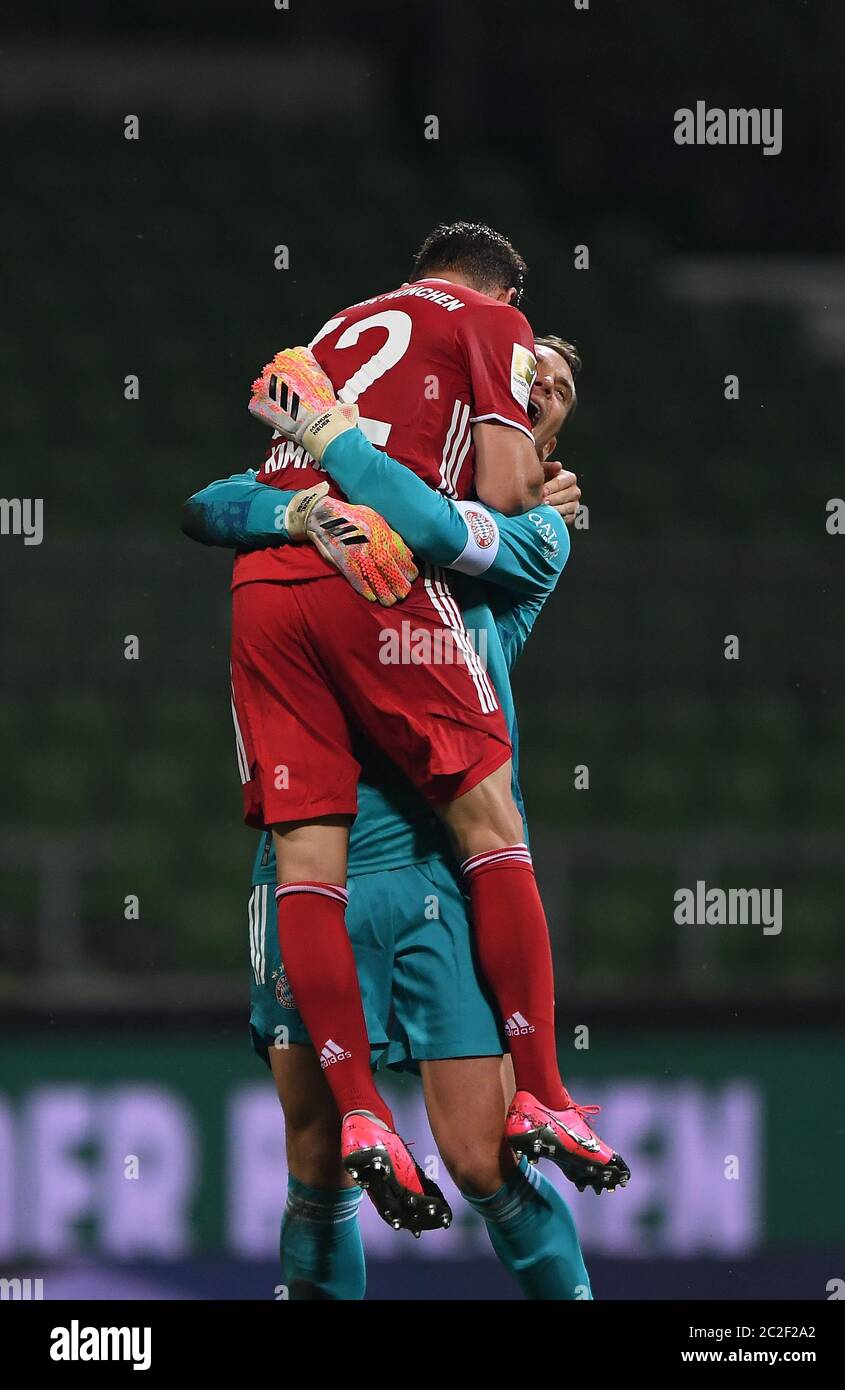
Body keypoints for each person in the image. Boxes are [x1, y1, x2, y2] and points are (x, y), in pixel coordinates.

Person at [184, 339, 627, 1296]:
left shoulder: (536, 533)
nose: (541, 383)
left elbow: (431, 525)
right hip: (321, 849)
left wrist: (332, 443)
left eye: (561, 385)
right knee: (318, 1158)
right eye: (527, 369)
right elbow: (210, 505)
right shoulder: (385, 473)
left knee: (481, 1161)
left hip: (435, 862)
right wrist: (302, 509)